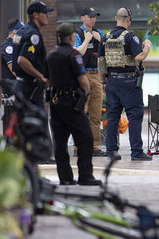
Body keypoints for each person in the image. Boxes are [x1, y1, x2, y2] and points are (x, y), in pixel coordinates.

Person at [45, 22, 102, 186]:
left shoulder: (51, 54)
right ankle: (85, 176)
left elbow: (47, 78)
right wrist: (87, 93)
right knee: (85, 138)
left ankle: (66, 178)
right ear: (72, 37)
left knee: (60, 142)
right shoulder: (73, 55)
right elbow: (83, 80)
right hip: (72, 103)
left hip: (55, 103)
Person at [97, 7, 152, 161]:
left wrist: (103, 81)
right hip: (129, 82)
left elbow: (100, 62)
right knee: (134, 115)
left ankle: (111, 152)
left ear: (116, 18)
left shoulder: (105, 38)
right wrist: (147, 45)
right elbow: (140, 56)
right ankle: (136, 152)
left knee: (113, 117)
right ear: (128, 20)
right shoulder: (129, 37)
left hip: (112, 81)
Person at [73, 7, 106, 157]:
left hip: (96, 74)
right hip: (82, 73)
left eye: (94, 16)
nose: (93, 19)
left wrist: (101, 41)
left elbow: (108, 52)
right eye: (90, 16)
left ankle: (94, 146)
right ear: (82, 18)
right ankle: (78, 146)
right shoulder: (78, 33)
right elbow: (77, 53)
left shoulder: (99, 33)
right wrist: (87, 39)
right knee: (81, 111)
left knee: (95, 114)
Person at [12, 1, 53, 108]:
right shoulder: (33, 35)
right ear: (35, 15)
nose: (47, 16)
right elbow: (22, 60)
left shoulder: (21, 31)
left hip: (21, 85)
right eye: (45, 13)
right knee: (37, 121)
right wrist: (41, 77)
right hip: (29, 88)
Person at [0, 18, 23, 132]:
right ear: (15, 31)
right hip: (10, 91)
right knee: (11, 121)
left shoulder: (17, 44)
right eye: (21, 30)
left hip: (16, 88)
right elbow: (15, 71)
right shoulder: (7, 47)